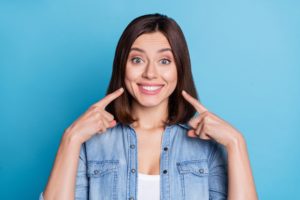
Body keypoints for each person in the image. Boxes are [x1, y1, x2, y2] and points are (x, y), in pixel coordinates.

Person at [40, 13, 258, 200]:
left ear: (179, 69)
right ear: (121, 67)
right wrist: (70, 139)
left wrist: (236, 143)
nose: (150, 74)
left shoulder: (208, 148)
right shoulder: (90, 145)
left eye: (164, 61)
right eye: (137, 60)